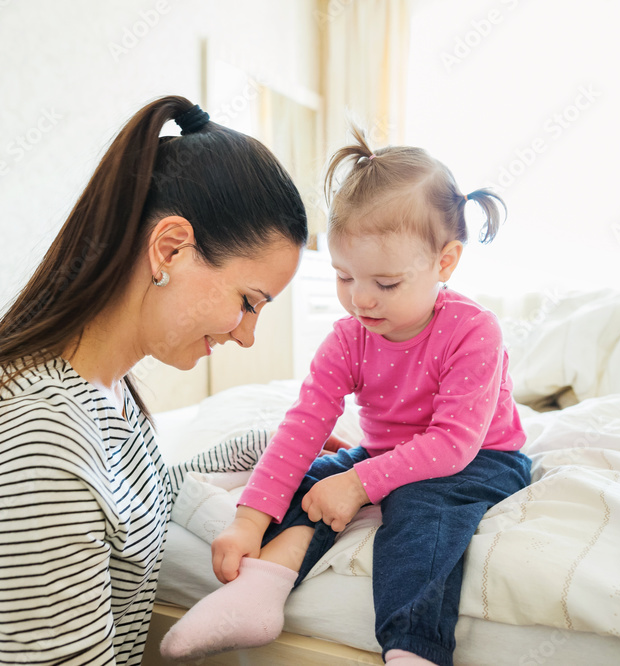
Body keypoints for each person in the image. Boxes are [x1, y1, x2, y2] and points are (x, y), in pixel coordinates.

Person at [0, 95, 308, 665]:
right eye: (248, 301)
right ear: (170, 249)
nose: (247, 335)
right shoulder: (31, 436)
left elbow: (134, 505)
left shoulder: (106, 395)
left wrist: (267, 449)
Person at [160, 126, 531, 666]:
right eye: (343, 277)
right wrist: (248, 521)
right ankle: (260, 591)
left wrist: (360, 484)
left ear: (444, 263)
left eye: (385, 284)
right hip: (383, 455)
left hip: (479, 460)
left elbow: (452, 445)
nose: (360, 300)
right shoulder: (348, 337)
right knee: (309, 479)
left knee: (419, 509)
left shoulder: (474, 331)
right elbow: (303, 425)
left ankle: (412, 647)